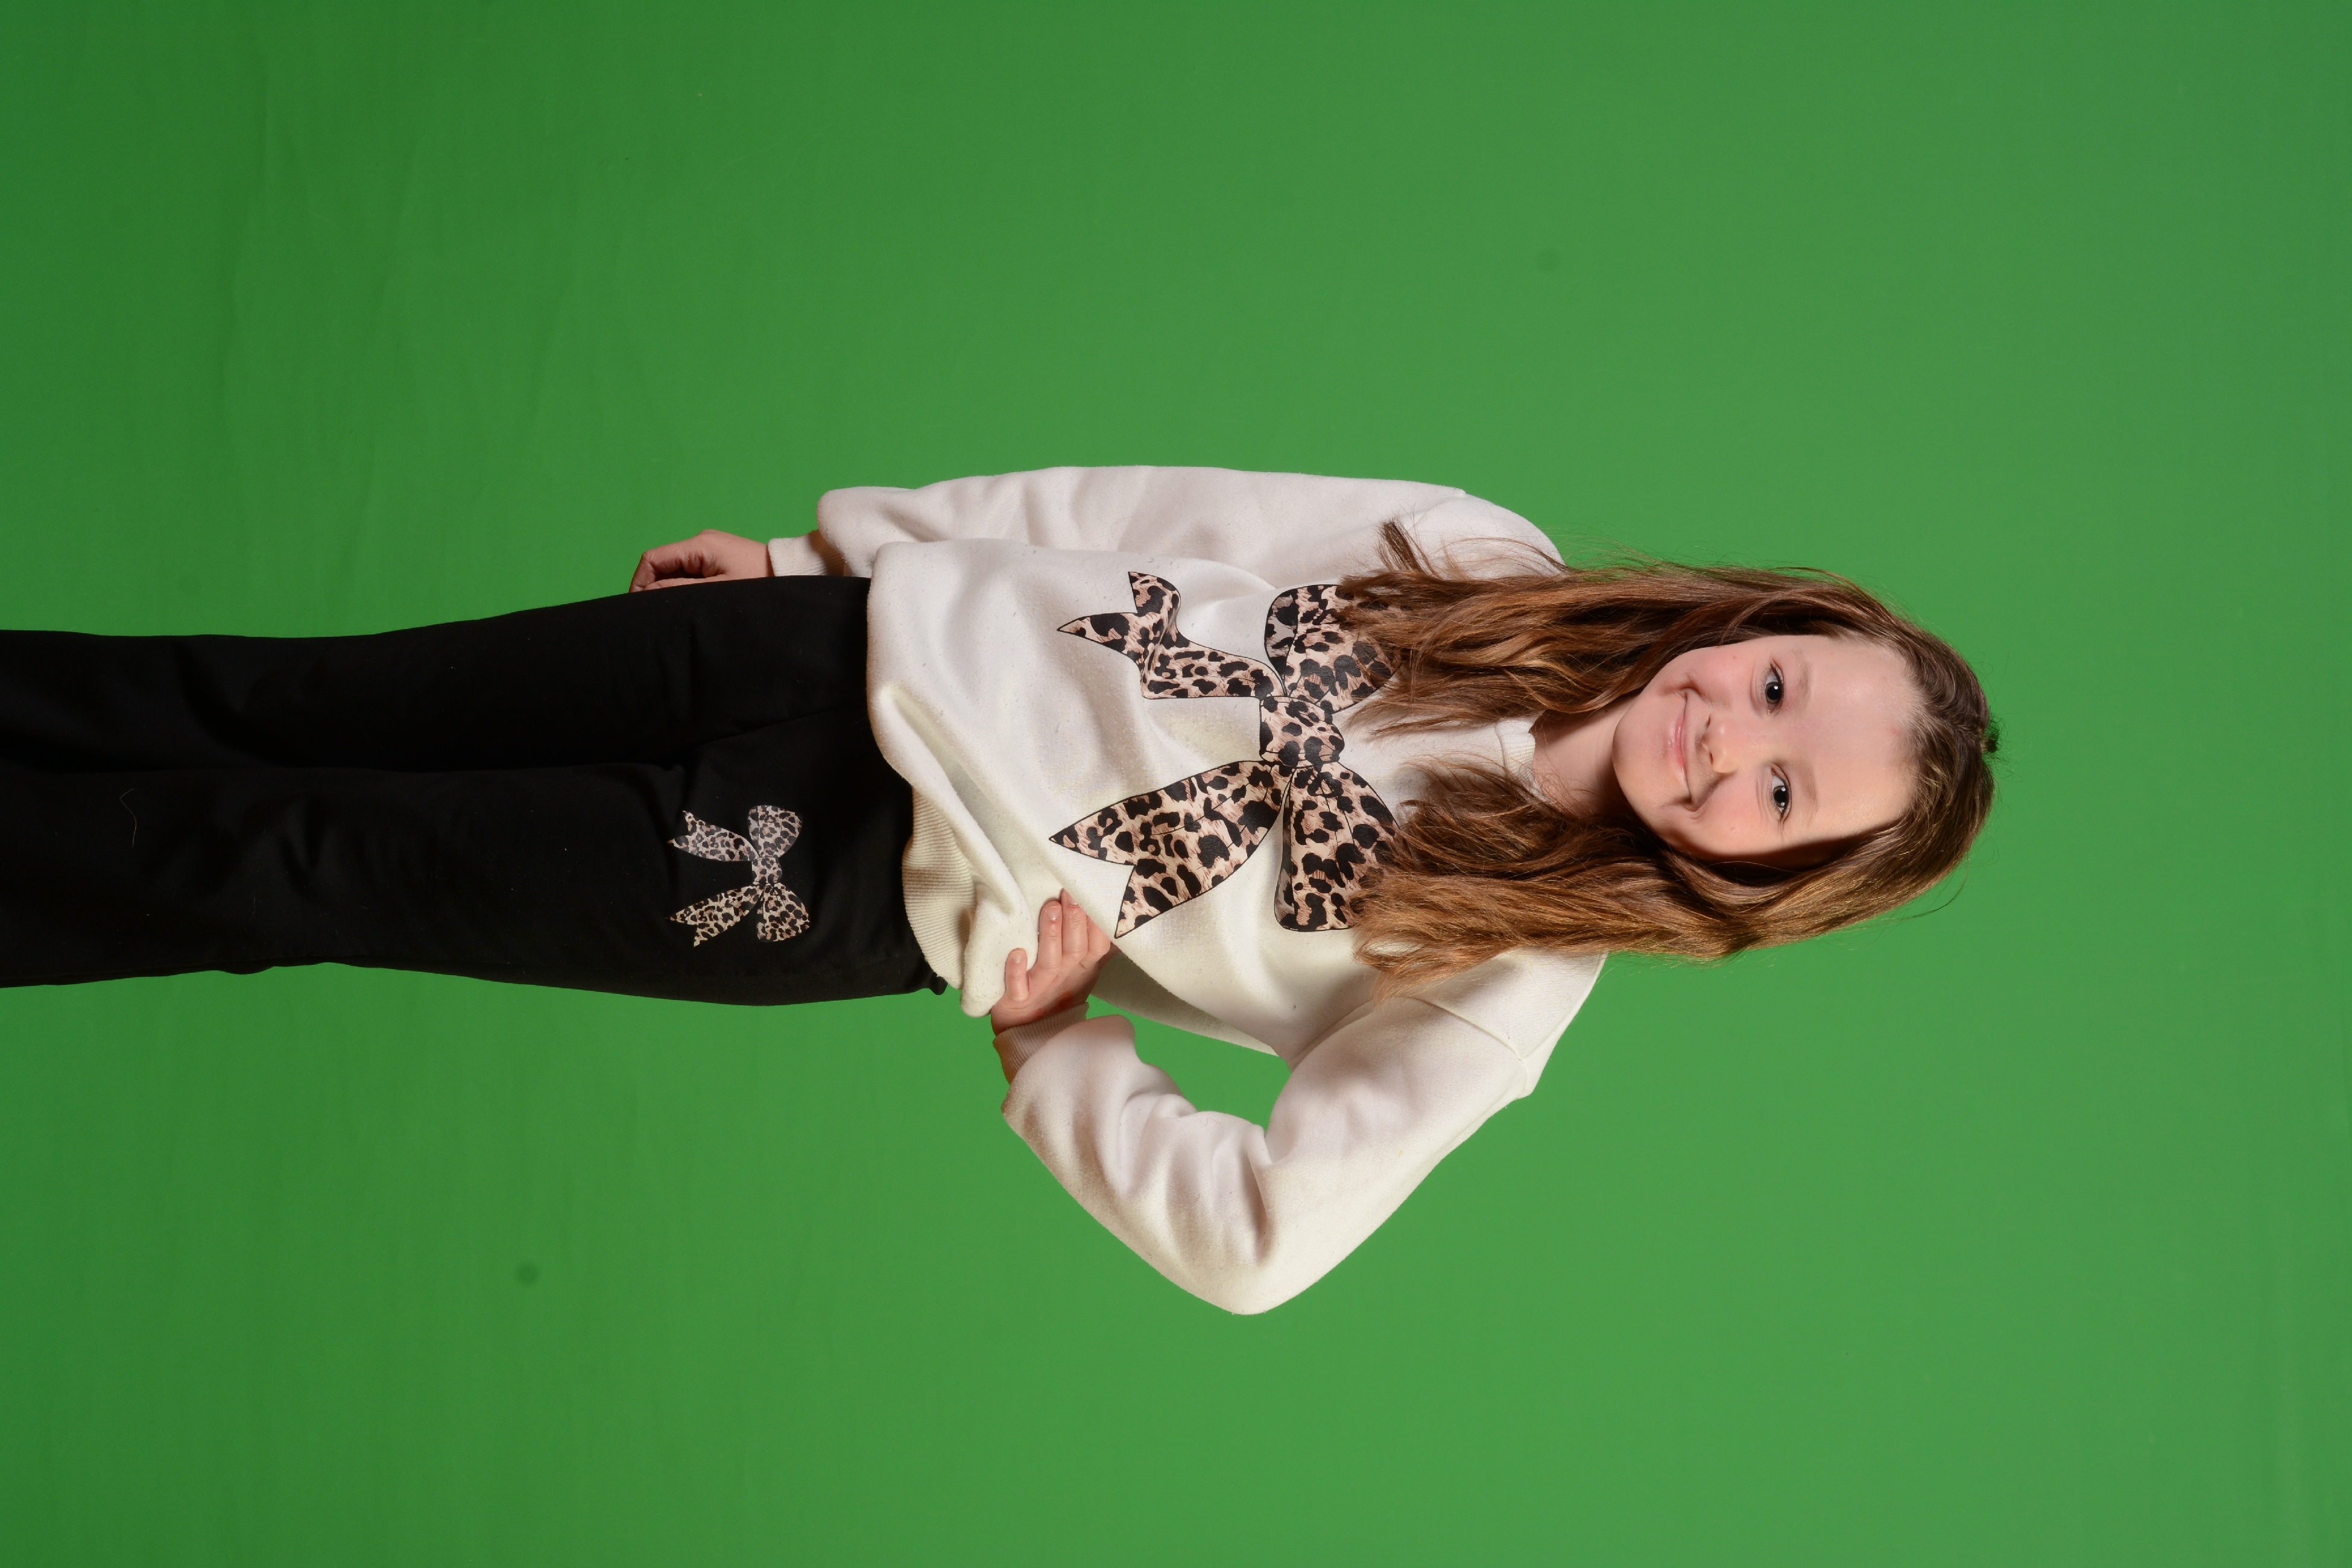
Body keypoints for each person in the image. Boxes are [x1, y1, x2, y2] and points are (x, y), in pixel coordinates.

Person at [0, 467, 1996, 1313]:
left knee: (301, 859)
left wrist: (1061, 1048)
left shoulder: (1504, 976)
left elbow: (1262, 1241)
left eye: (1779, 794)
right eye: (1770, 688)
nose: (1723, 745)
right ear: (1756, 625)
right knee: (285, 704)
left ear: (1770, 876)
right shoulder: (1480, 558)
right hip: (825, 648)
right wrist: (831, 550)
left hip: (842, 882)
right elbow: (1124, 510)